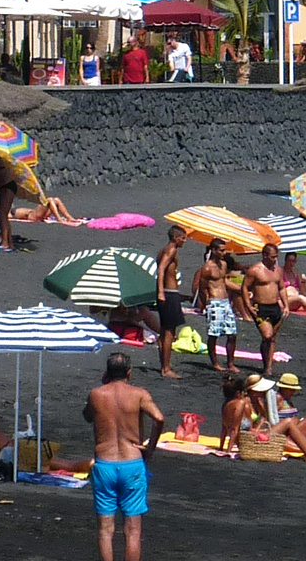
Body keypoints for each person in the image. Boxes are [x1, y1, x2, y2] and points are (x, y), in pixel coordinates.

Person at [83, 353, 164, 561]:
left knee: (105, 530)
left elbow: (88, 416)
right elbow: (159, 418)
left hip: (105, 463)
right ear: (129, 372)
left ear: (107, 373)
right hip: (132, 462)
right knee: (133, 530)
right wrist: (150, 447)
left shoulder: (96, 394)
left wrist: (103, 386)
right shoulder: (139, 394)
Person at [0, 409, 92, 473]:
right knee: (63, 464)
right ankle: (94, 465)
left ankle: (95, 465)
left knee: (69, 465)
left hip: (22, 454)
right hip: (22, 450)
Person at [241, 243, 287, 374]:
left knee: (272, 338)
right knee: (267, 336)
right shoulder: (255, 270)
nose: (275, 260)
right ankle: (266, 363)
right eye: (272, 257)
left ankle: (268, 366)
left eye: (276, 257)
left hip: (275, 307)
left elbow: (282, 288)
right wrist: (248, 306)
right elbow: (244, 288)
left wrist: (286, 305)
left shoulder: (278, 270)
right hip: (260, 307)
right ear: (265, 255)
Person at [193, 238, 238, 372]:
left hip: (225, 302)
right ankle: (215, 362)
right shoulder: (207, 268)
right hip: (214, 302)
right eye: (222, 250)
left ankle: (230, 363)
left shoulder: (223, 265)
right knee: (214, 334)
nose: (224, 253)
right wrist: (206, 304)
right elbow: (202, 288)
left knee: (232, 334)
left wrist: (241, 290)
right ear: (213, 250)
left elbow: (224, 282)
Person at [156, 225, 188, 379]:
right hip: (169, 293)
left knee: (164, 331)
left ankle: (164, 365)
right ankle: (166, 368)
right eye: (183, 238)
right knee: (169, 332)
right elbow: (161, 269)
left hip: (167, 293)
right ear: (175, 238)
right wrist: (162, 292)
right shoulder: (171, 250)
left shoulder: (163, 250)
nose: (184, 241)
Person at [11, 194, 82, 224]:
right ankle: (59, 218)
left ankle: (69, 217)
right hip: (33, 216)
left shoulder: (14, 210)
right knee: (49, 200)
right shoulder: (11, 213)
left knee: (56, 199)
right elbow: (7, 217)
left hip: (36, 214)